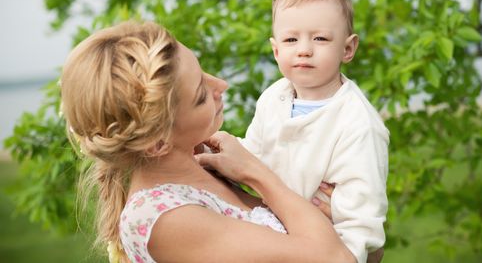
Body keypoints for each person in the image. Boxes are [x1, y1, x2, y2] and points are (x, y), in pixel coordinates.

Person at [60, 20, 356, 263]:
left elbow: (359, 251)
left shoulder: (206, 161)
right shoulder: (164, 218)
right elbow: (335, 258)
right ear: (158, 143)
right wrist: (256, 173)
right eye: (201, 94)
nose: (221, 85)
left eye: (202, 71)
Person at [228, 0, 389, 263]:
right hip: (273, 237)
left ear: (348, 48)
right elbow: (252, 156)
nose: (304, 49)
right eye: (291, 39)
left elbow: (362, 219)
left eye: (320, 38)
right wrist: (214, 151)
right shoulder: (274, 98)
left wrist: (347, 249)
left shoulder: (357, 123)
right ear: (276, 51)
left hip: (324, 248)